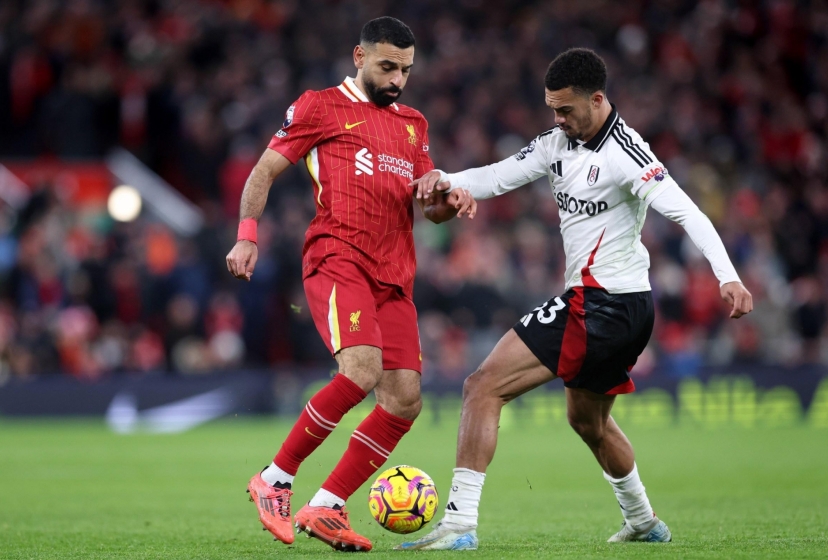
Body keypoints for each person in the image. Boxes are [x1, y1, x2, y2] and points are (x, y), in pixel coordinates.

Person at [399, 48, 753, 551]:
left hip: (605, 302)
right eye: (552, 109)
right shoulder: (555, 143)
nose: (558, 119)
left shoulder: (628, 154)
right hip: (623, 309)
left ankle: (458, 524)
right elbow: (497, 176)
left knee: (481, 386)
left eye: (566, 109)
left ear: (598, 99)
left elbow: (687, 213)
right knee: (587, 421)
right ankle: (644, 521)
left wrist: (728, 276)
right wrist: (446, 179)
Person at [225, 17, 475, 553]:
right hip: (339, 258)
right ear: (358, 57)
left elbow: (428, 210)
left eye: (406, 70)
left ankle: (328, 504)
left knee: (405, 401)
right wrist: (247, 236)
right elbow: (263, 172)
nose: (397, 80)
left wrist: (445, 201)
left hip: (395, 275)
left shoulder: (414, 124)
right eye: (387, 67)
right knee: (361, 370)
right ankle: (275, 478)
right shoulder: (319, 106)